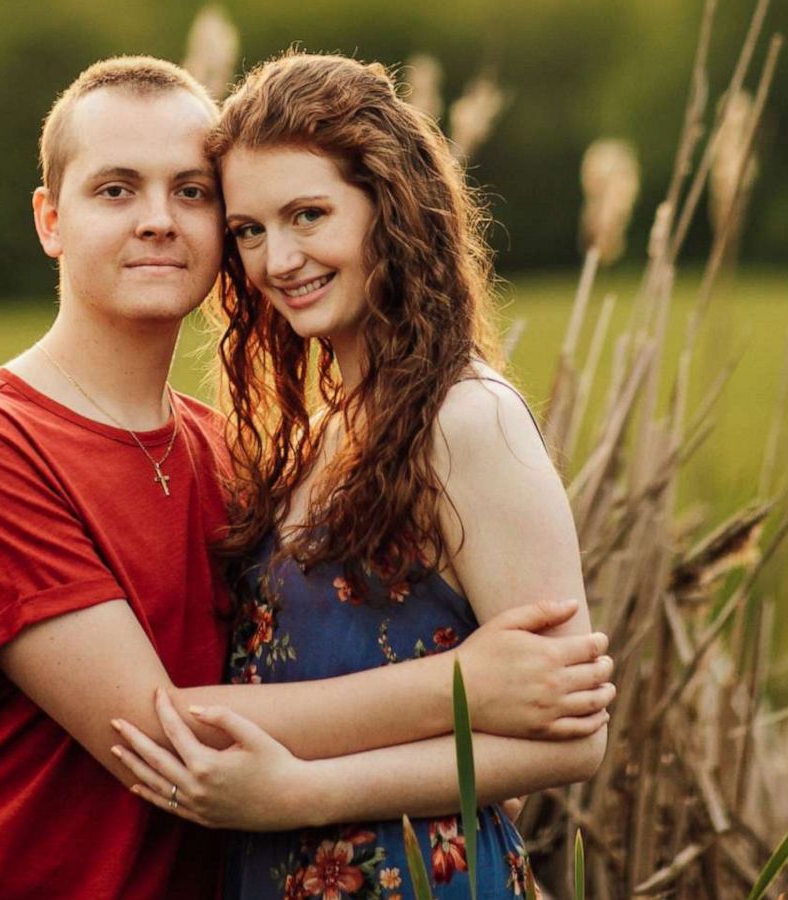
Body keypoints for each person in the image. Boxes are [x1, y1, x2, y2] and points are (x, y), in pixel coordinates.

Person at [0, 56, 613, 899]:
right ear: (51, 219)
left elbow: (545, 733)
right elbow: (149, 728)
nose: (160, 220)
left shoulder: (231, 456)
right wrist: (463, 689)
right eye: (116, 190)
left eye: (193, 194)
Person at [107, 52, 610, 898]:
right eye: (251, 230)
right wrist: (458, 690)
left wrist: (300, 794)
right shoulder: (328, 425)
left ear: (391, 210)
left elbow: (571, 738)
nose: (278, 260)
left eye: (309, 215)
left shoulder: (466, 419)